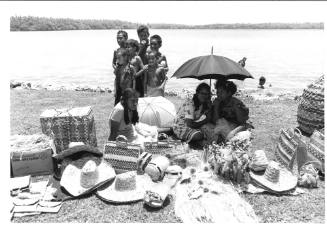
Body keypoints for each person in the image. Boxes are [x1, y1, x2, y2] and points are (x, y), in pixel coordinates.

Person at [136, 25, 150, 97]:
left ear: (148, 35)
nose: (143, 37)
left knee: (148, 95)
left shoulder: (151, 46)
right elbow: (135, 57)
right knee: (140, 95)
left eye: (145, 35)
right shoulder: (137, 47)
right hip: (139, 73)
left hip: (149, 73)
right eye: (141, 36)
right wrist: (142, 47)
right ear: (138, 36)